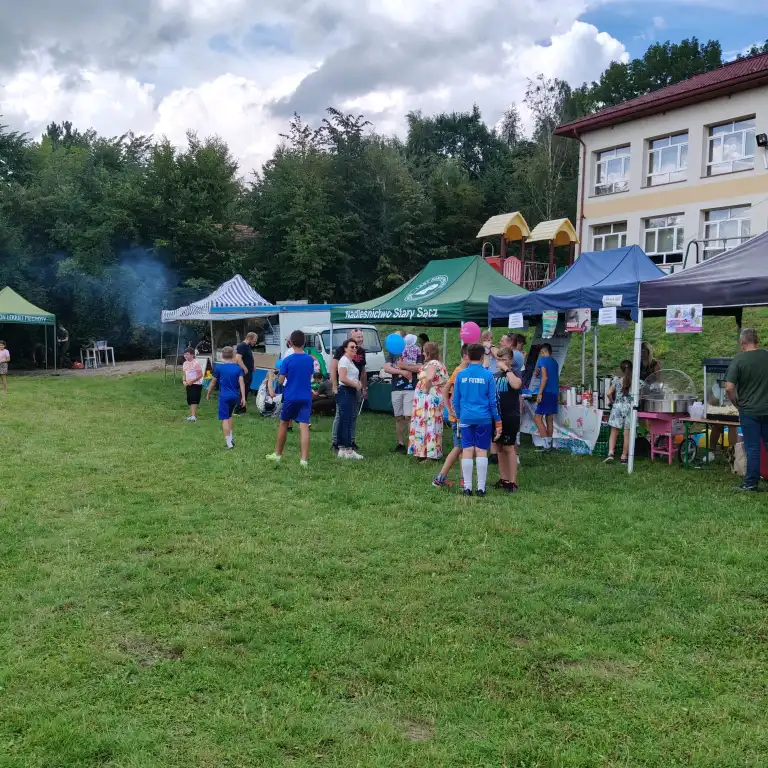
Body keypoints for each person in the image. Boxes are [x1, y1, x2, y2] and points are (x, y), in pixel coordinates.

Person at [453, 343, 501, 497]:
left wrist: (459, 415)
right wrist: (498, 421)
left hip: (466, 417)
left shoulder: (461, 374)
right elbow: (493, 401)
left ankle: (467, 488)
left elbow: (455, 400)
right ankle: (481, 488)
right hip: (484, 418)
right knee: (481, 450)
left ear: (467, 355)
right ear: (482, 356)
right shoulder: (488, 375)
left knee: (467, 450)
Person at [726, 328, 768, 492]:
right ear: (757, 340)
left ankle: (751, 483)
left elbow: (729, 387)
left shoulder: (739, 359)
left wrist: (736, 403)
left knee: (753, 448)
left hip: (749, 411)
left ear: (742, 342)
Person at [267, 330, 315, 467]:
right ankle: (304, 460)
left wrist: (278, 378)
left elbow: (281, 381)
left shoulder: (287, 360)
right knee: (304, 427)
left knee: (284, 423)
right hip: (306, 396)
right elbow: (309, 375)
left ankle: (277, 455)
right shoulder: (309, 359)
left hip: (291, 396)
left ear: (291, 343)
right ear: (304, 343)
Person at [433, 345, 470, 488]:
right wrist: (449, 409)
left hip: (461, 416)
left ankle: (463, 479)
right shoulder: (459, 371)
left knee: (462, 449)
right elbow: (446, 390)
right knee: (458, 447)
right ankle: (440, 478)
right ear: (465, 356)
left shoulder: (463, 371)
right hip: (458, 418)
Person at [408, 342, 448, 462]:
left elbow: (430, 378)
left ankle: (430, 454)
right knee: (427, 424)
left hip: (429, 399)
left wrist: (425, 391)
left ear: (428, 352)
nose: (422, 353)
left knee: (429, 425)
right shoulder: (437, 363)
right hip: (431, 398)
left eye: (424, 351)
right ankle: (423, 451)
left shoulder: (433, 363)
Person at [384, 331, 423, 453]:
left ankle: (413, 443)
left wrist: (405, 366)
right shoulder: (392, 351)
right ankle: (400, 443)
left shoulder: (416, 350)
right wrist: (401, 372)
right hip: (396, 388)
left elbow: (420, 367)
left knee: (409, 416)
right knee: (398, 417)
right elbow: (386, 368)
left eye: (398, 337)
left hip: (410, 387)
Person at [331, 329, 367, 452]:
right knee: (341, 416)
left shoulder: (360, 352)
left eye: (361, 337)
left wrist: (363, 386)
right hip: (345, 388)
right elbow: (334, 369)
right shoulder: (342, 354)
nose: (360, 340)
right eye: (357, 337)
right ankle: (336, 442)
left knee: (353, 415)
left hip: (354, 388)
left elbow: (362, 370)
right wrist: (334, 385)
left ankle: (350, 440)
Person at [494, 348, 523, 492]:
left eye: (504, 359)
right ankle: (503, 478)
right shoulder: (495, 375)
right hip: (497, 417)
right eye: (499, 359)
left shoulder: (515, 373)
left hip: (511, 416)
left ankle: (513, 481)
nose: (501, 362)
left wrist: (506, 369)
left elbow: (516, 385)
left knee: (509, 447)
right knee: (499, 447)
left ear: (511, 360)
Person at [206, 346, 246, 450]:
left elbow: (213, 382)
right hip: (235, 396)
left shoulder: (219, 368)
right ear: (233, 355)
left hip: (224, 397)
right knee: (229, 416)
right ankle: (231, 439)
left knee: (224, 419)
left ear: (222, 356)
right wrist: (243, 397)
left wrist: (208, 393)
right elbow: (242, 383)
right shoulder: (238, 368)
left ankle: (229, 443)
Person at [336, 338, 365, 460]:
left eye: (356, 347)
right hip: (346, 391)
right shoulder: (344, 360)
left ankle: (342, 448)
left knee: (345, 420)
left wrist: (358, 382)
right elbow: (342, 378)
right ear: (345, 349)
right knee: (346, 420)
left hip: (349, 391)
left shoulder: (350, 361)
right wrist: (356, 385)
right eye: (351, 347)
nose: (354, 349)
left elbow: (351, 376)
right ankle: (348, 449)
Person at [604, 360, 635, 465]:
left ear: (621, 369)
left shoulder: (617, 380)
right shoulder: (636, 382)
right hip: (629, 408)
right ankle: (623, 457)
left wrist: (613, 402)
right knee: (627, 434)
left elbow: (608, 393)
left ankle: (611, 454)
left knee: (614, 432)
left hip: (617, 407)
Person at [533, 343, 559, 452]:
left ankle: (546, 445)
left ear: (543, 352)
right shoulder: (555, 362)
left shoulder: (543, 360)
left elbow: (544, 377)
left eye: (541, 353)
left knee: (537, 418)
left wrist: (539, 393)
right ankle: (550, 445)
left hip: (546, 392)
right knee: (549, 419)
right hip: (554, 392)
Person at [234, 332, 257, 414]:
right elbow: (238, 358)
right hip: (244, 372)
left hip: (249, 371)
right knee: (242, 390)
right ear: (249, 338)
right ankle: (238, 409)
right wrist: (244, 368)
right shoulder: (242, 346)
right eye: (254, 341)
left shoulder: (248, 346)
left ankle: (242, 408)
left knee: (246, 389)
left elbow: (249, 356)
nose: (255, 343)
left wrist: (253, 365)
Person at [182, 348, 204, 421]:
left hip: (196, 384)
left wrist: (192, 381)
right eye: (185, 354)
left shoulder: (196, 363)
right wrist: (184, 381)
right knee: (190, 400)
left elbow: (200, 375)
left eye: (187, 354)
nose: (185, 356)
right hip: (188, 384)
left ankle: (194, 416)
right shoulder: (185, 363)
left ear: (192, 355)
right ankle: (191, 415)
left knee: (194, 400)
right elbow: (184, 373)